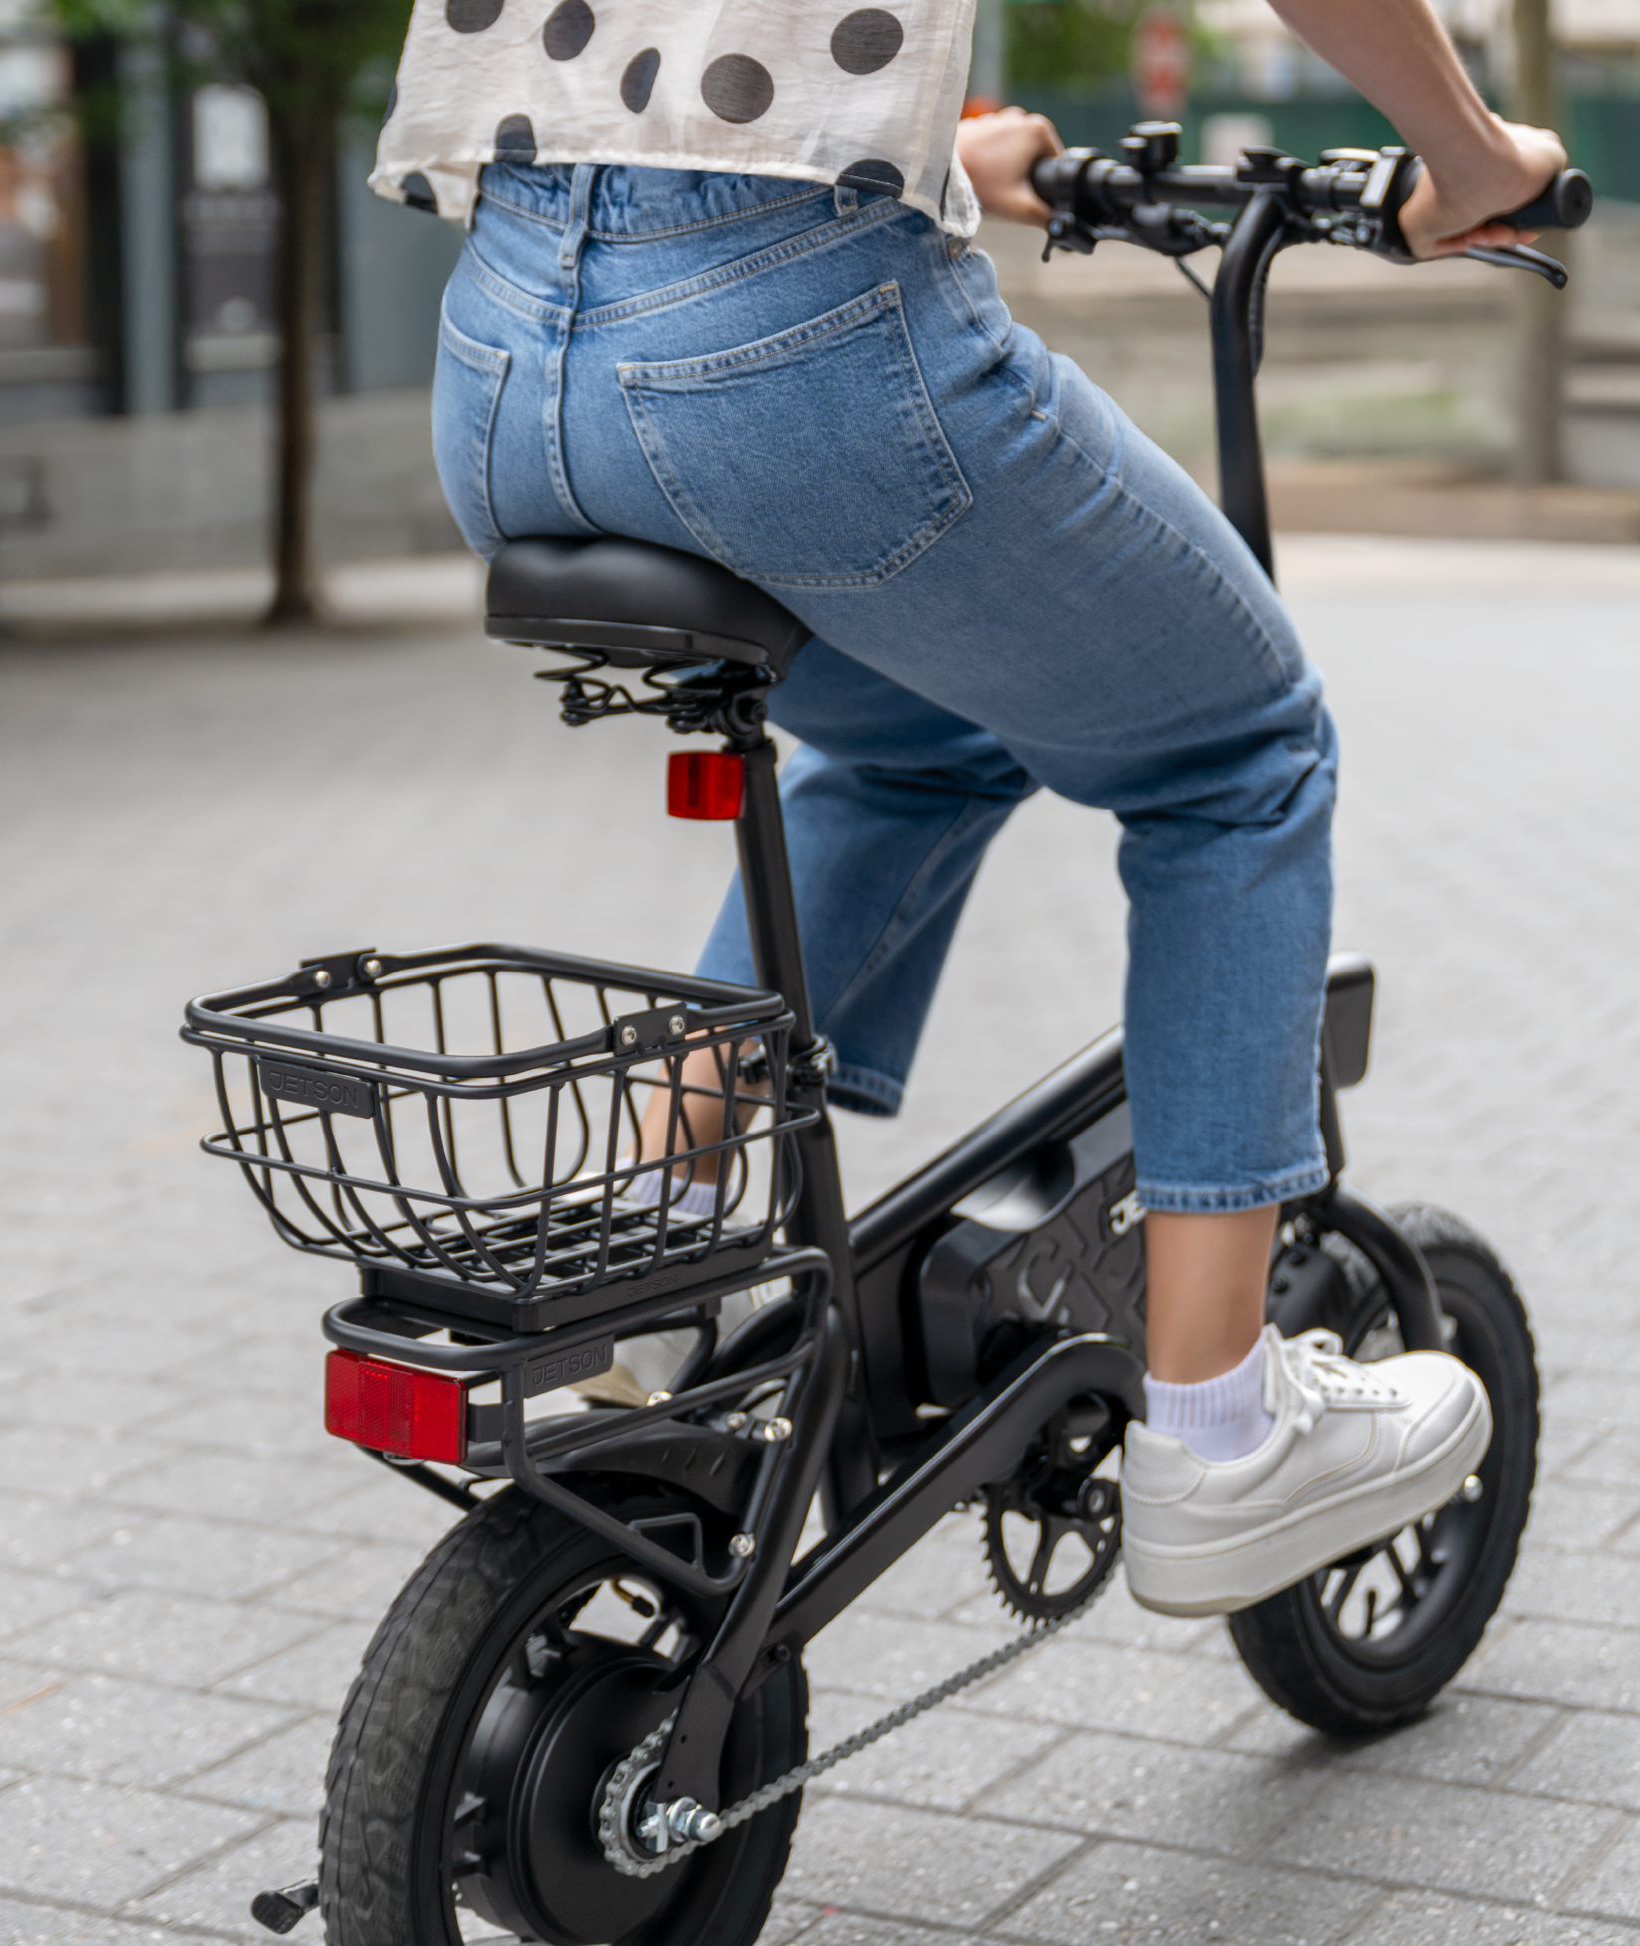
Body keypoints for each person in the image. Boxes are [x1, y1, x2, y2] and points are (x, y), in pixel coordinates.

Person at [371, 1, 1559, 1614]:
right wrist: (1465, 149)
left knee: (926, 734)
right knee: (1234, 755)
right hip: (786, 358)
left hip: (505, 369)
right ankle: (1219, 1427)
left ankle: (645, 1241)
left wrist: (932, 140)